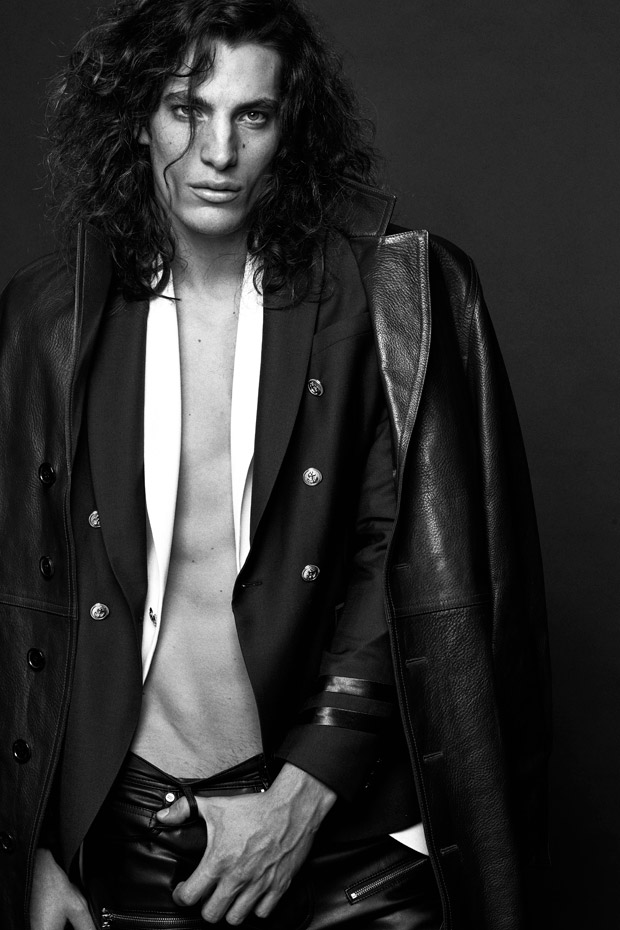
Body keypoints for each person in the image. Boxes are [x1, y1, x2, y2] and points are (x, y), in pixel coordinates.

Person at [0, 0, 551, 928]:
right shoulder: (48, 319)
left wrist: (301, 795)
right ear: (137, 119)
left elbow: (402, 561)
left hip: (351, 835)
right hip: (137, 832)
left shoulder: (384, 302)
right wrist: (31, 846)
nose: (218, 151)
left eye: (251, 115)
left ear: (289, 129)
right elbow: (20, 591)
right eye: (187, 109)